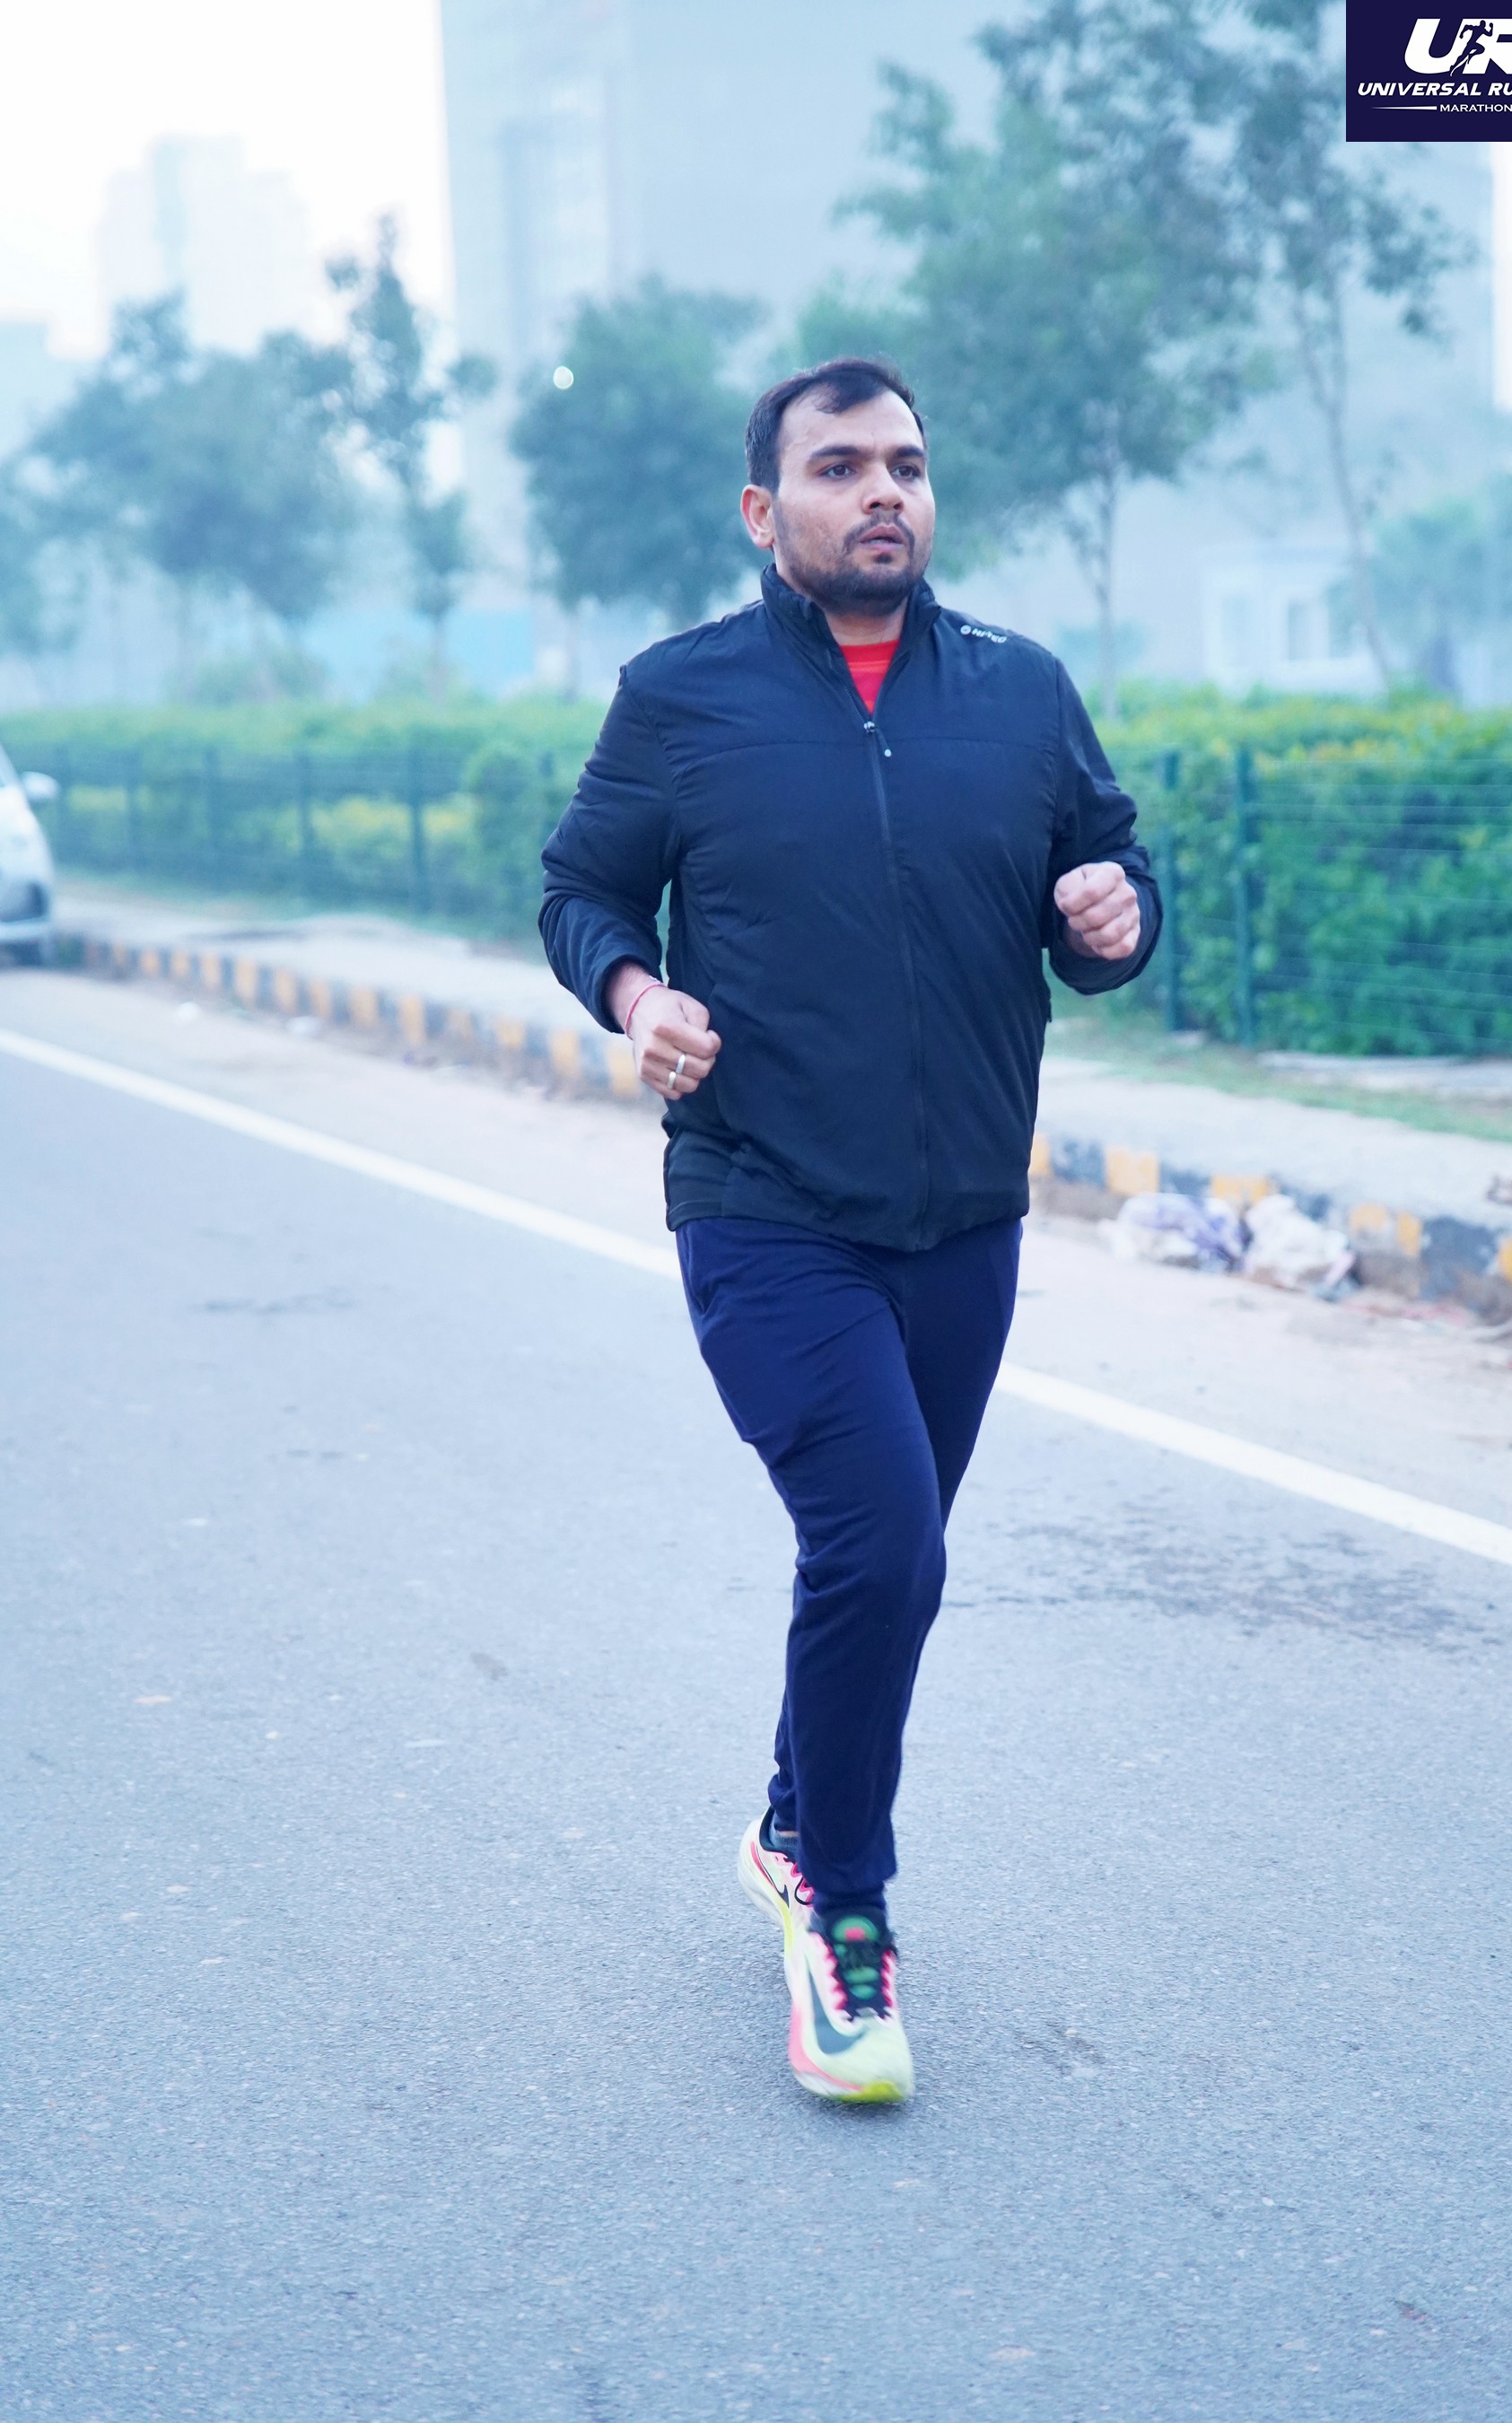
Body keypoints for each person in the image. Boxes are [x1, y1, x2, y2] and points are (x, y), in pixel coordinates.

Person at [540, 358, 1158, 2103]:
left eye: (905, 463)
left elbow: (1113, 878)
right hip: (764, 1205)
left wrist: (1116, 915)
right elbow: (582, 889)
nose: (883, 490)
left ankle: (792, 1816)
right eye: (839, 466)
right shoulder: (683, 697)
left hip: (965, 1217)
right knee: (884, 1547)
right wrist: (637, 993)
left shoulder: (1021, 692)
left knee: (883, 1565)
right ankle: (845, 1917)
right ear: (767, 511)